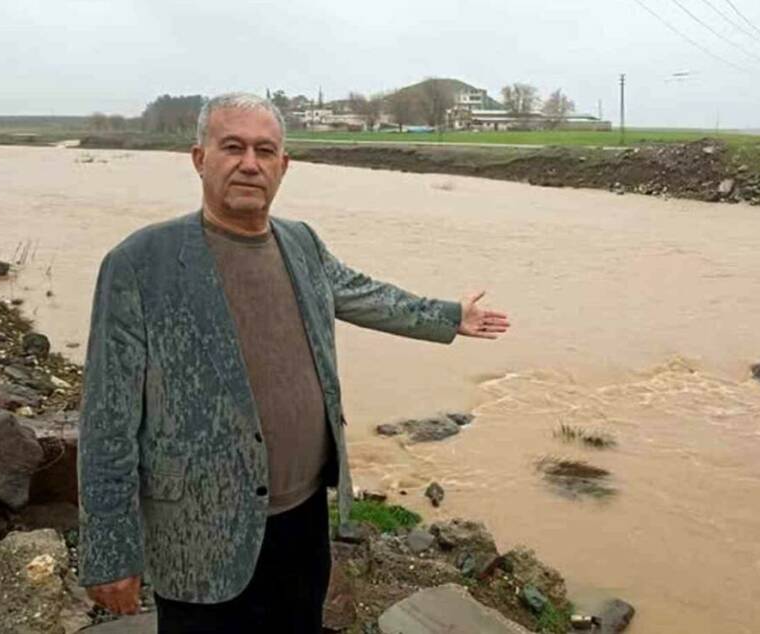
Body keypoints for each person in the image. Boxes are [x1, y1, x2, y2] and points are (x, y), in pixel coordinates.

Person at [77, 92, 510, 633]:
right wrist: (110, 551)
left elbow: (363, 293)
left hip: (303, 525)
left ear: (284, 166)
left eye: (265, 150)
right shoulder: (140, 264)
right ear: (198, 158)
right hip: (197, 532)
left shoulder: (300, 243)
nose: (249, 163)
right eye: (232, 146)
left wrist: (447, 316)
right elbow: (106, 420)